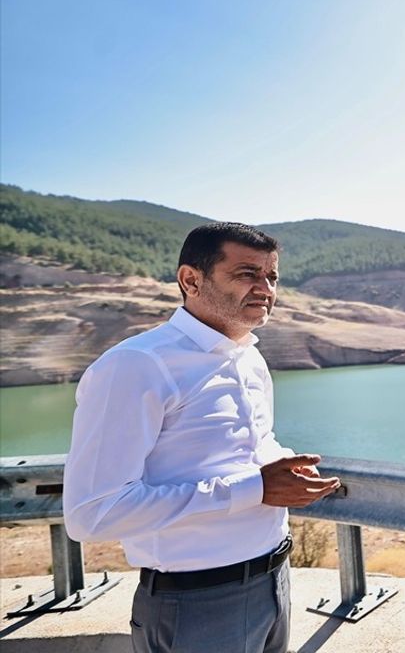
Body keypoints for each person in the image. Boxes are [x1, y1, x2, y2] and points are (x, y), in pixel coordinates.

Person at [63, 222, 341, 653]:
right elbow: (92, 514)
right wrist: (255, 489)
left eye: (272, 277)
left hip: (275, 581)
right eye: (247, 274)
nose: (265, 289)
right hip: (195, 603)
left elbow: (246, 449)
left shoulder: (249, 357)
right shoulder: (135, 366)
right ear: (191, 280)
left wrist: (286, 467)